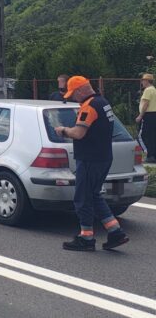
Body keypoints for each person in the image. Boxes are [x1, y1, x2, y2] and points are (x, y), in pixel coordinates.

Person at [53, 76, 129, 251]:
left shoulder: (89, 106)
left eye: (74, 94)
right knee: (94, 195)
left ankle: (86, 238)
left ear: (81, 90)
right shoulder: (103, 103)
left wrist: (63, 130)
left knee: (82, 198)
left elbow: (79, 133)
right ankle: (115, 232)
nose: (73, 98)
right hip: (103, 157)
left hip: (90, 159)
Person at [136, 73, 156, 163]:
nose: (142, 82)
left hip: (147, 115)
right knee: (152, 136)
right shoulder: (154, 90)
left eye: (143, 80)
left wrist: (140, 116)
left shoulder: (148, 90)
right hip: (154, 115)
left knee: (141, 136)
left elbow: (146, 104)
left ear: (147, 81)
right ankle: (153, 156)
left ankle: (149, 154)